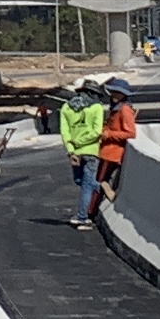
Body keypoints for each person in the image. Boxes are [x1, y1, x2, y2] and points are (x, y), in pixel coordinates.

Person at [59, 84, 107, 224]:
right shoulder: (97, 107)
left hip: (78, 152)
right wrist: (78, 144)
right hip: (89, 151)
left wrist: (72, 148)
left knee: (84, 184)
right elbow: (97, 132)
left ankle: (82, 217)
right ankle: (101, 187)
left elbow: (65, 132)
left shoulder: (67, 107)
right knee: (82, 182)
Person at [95, 78, 136, 216]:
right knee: (100, 182)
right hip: (107, 151)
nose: (113, 95)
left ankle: (90, 213)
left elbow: (130, 133)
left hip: (112, 153)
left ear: (123, 95)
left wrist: (108, 134)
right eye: (112, 91)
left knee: (98, 183)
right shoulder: (116, 108)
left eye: (117, 93)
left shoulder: (124, 110)